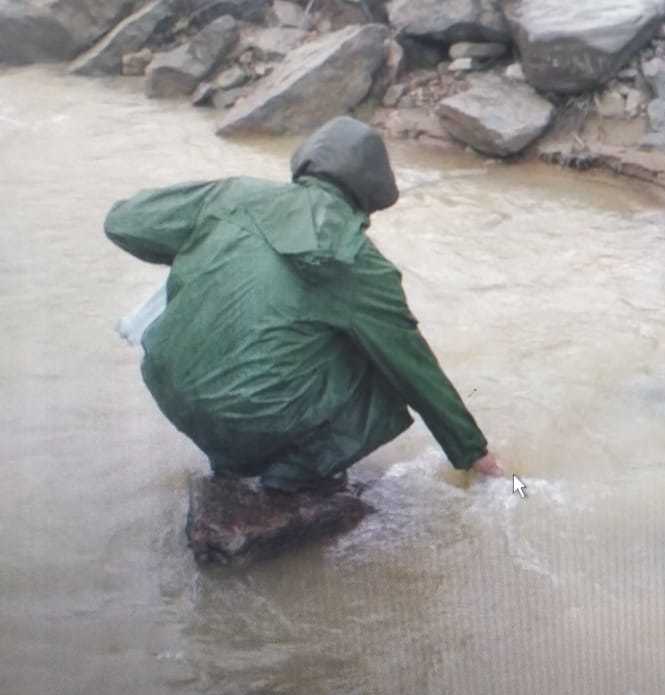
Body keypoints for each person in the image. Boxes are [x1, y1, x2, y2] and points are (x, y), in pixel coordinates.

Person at [104, 117, 503, 493]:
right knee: (381, 369)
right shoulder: (361, 265)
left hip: (167, 386)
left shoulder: (234, 195)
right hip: (250, 417)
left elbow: (123, 222)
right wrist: (479, 457)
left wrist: (204, 249)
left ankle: (232, 467)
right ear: (372, 197)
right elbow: (417, 373)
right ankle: (291, 476)